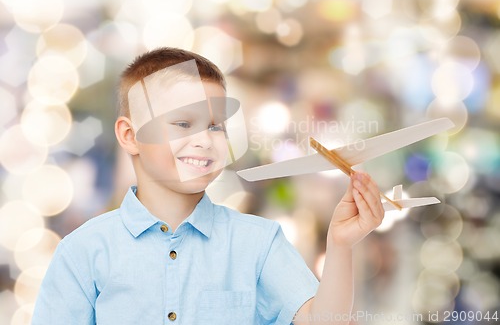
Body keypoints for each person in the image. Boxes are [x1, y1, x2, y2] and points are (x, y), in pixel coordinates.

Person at [32, 47, 385, 325]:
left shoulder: (258, 243)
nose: (204, 141)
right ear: (130, 135)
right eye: (184, 123)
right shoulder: (84, 251)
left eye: (216, 126)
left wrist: (340, 245)